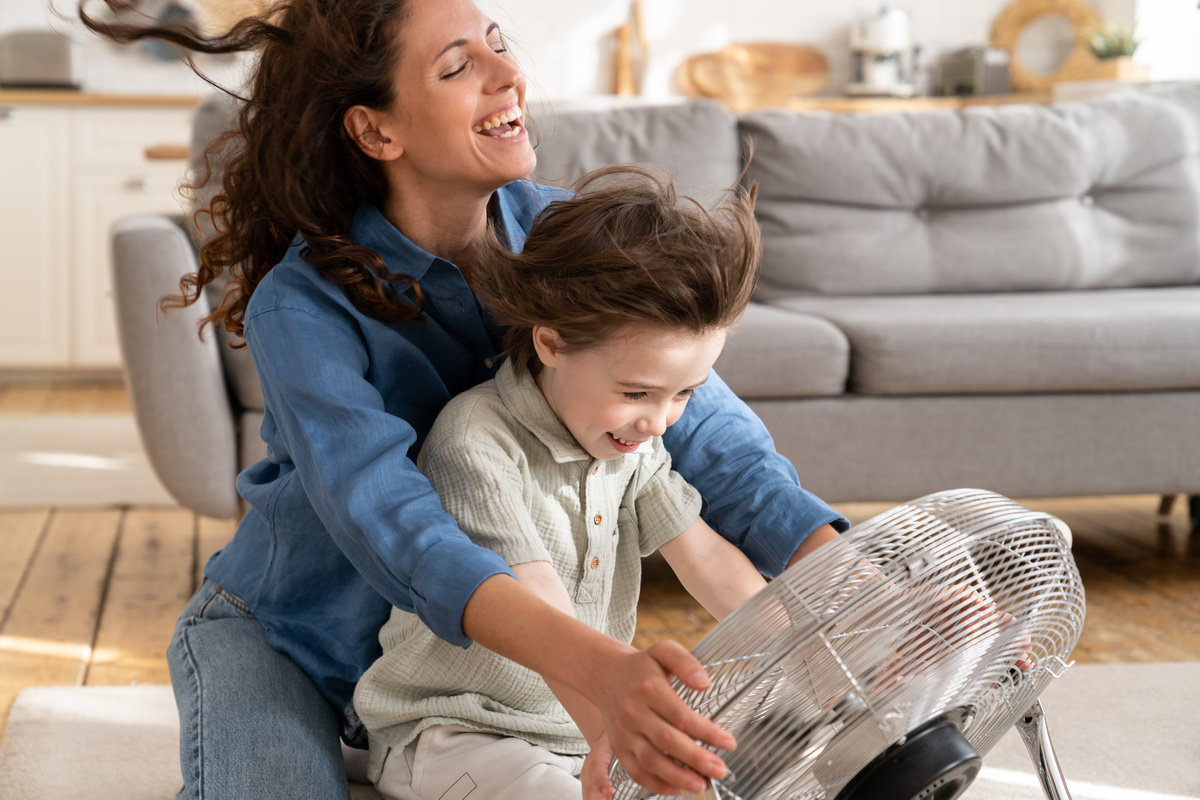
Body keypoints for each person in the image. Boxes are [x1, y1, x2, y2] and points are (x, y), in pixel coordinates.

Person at [80, 1, 848, 799]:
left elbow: (713, 442)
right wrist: (603, 680)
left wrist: (854, 584)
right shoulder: (301, 307)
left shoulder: (556, 230)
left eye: (498, 46)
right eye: (458, 67)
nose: (511, 75)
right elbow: (396, 524)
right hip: (294, 640)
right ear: (377, 132)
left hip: (462, 679)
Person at [355, 164, 773, 799]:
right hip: (455, 728)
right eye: (636, 392)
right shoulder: (476, 440)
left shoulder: (634, 446)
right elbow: (536, 593)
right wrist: (611, 726)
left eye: (686, 393)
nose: (659, 420)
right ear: (551, 343)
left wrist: (808, 650)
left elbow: (708, 557)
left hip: (577, 730)